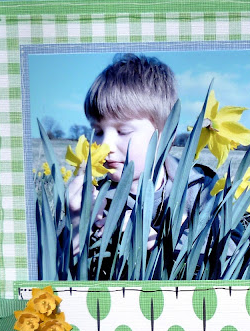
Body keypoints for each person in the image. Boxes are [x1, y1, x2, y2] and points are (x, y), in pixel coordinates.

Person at [68, 53, 218, 278]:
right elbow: (66, 277)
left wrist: (160, 244)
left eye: (123, 131)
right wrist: (78, 223)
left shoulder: (201, 189)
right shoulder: (96, 197)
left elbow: (229, 253)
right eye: (97, 131)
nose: (104, 145)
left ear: (166, 135)